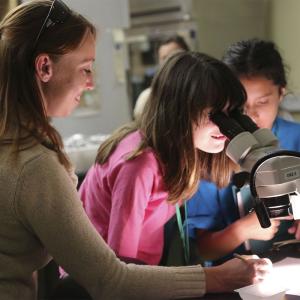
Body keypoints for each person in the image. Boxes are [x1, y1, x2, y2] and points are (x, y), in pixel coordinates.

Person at [0, 1, 273, 299]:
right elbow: (115, 276)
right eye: (86, 68)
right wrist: (217, 278)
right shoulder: (40, 165)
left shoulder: (21, 149)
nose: (91, 83)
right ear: (44, 67)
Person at [186, 38, 300, 266]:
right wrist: (242, 229)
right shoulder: (211, 151)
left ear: (281, 93)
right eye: (240, 107)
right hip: (231, 278)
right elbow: (203, 250)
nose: (251, 116)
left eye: (263, 102)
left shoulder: (295, 139)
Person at [133, 34, 190, 119]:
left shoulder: (203, 89)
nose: (172, 62)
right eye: (165, 58)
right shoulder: (147, 99)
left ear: (189, 57)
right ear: (159, 63)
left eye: (176, 55)